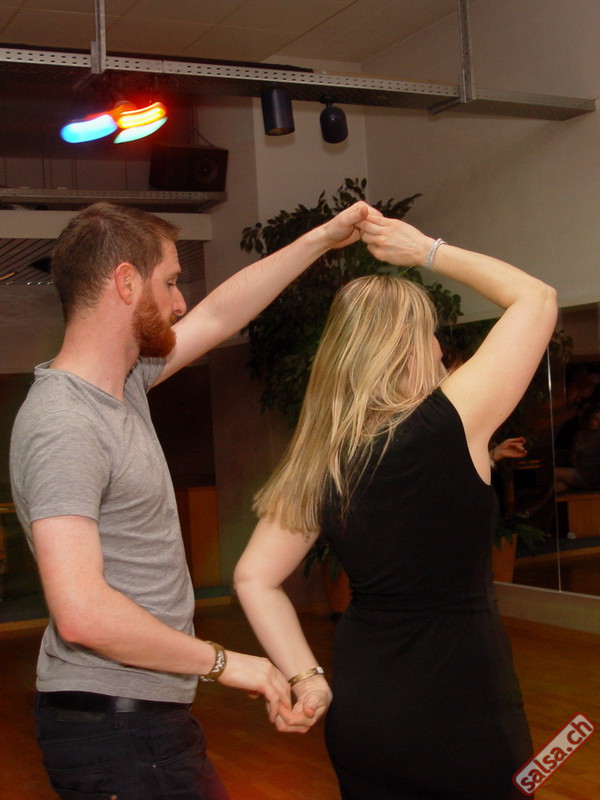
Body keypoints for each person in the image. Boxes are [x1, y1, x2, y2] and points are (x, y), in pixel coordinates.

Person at [9, 199, 369, 800]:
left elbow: (221, 314)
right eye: (171, 282)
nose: (180, 303)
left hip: (138, 720)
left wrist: (322, 240)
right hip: (115, 727)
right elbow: (81, 612)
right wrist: (226, 662)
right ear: (126, 283)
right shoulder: (65, 422)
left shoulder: (123, 385)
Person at [234, 209, 557, 799]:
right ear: (407, 347)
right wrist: (424, 249)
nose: (439, 349)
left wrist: (308, 679)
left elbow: (254, 577)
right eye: (430, 334)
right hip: (464, 712)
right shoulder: (448, 424)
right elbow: (535, 299)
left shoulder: (320, 458)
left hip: (366, 715)